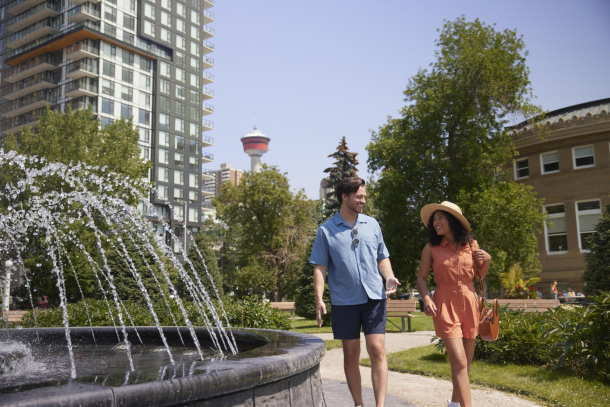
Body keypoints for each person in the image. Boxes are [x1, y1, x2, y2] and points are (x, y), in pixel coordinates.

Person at [310, 177, 400, 407]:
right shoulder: (326, 230)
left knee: (377, 349)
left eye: (364, 197)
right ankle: (358, 404)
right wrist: (319, 298)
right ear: (345, 197)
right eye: (359, 196)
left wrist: (388, 276)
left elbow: (382, 257)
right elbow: (320, 267)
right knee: (351, 354)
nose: (363, 200)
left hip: (374, 298)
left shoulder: (372, 224)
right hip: (344, 302)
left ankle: (380, 405)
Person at [417, 202, 491, 407]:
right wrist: (426, 298)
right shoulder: (431, 248)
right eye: (434, 219)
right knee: (458, 361)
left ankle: (453, 404)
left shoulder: (472, 245)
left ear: (454, 221)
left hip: (469, 302)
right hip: (445, 304)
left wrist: (488, 260)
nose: (436, 222)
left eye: (441, 217)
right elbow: (421, 279)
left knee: (465, 365)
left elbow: (478, 278)